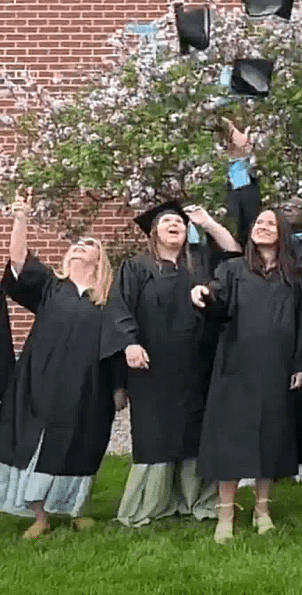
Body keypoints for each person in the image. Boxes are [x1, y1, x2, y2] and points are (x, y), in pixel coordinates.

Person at [190, 206, 302, 543]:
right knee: (230, 439)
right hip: (235, 365)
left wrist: (301, 364)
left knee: (270, 437)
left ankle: (262, 509)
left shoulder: (295, 273)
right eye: (259, 222)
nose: (263, 227)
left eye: (270, 223)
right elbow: (218, 307)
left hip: (277, 367)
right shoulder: (233, 269)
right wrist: (203, 296)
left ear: (282, 232)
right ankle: (225, 513)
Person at [102, 199, 241, 528]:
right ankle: (150, 504)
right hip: (152, 366)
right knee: (156, 434)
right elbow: (119, 308)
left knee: (195, 433)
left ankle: (196, 500)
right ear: (153, 232)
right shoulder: (136, 268)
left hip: (197, 365)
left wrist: (207, 222)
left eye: (180, 222)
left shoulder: (200, 264)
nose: (174, 225)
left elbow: (235, 254)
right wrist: (130, 342)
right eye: (166, 222)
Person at [221, 119, 302, 485]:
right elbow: (244, 210)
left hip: (300, 340)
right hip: (255, 344)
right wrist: (239, 160)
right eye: (281, 206)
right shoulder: (256, 255)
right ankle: (247, 465)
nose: (289, 208)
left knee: (299, 404)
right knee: (251, 406)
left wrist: (297, 322)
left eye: (296, 205)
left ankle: (301, 456)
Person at [0, 193, 124, 539]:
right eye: (76, 245)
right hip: (42, 381)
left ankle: (73, 508)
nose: (80, 247)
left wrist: (118, 387)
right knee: (38, 445)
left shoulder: (107, 300)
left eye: (89, 244)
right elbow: (19, 260)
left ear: (101, 258)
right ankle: (39, 515)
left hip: (89, 386)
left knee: (82, 444)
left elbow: (116, 345)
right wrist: (21, 218)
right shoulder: (52, 289)